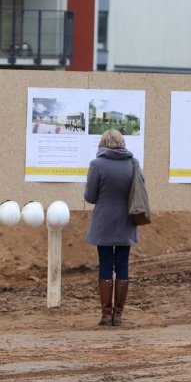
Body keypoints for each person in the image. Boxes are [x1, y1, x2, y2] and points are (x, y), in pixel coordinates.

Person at [84, 129, 139, 327]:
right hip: (127, 220)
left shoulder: (96, 164)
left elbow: (90, 196)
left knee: (106, 264)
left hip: (104, 222)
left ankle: (106, 315)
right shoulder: (133, 163)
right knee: (122, 265)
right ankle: (119, 315)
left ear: (103, 143)